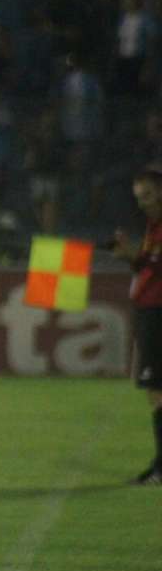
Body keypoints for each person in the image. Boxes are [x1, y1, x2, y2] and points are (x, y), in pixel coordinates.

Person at [112, 166, 162, 485]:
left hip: (158, 310)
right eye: (137, 197)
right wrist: (129, 255)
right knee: (156, 391)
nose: (141, 202)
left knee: (157, 391)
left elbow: (153, 263)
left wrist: (133, 255)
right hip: (151, 309)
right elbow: (145, 264)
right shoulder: (152, 225)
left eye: (146, 195)